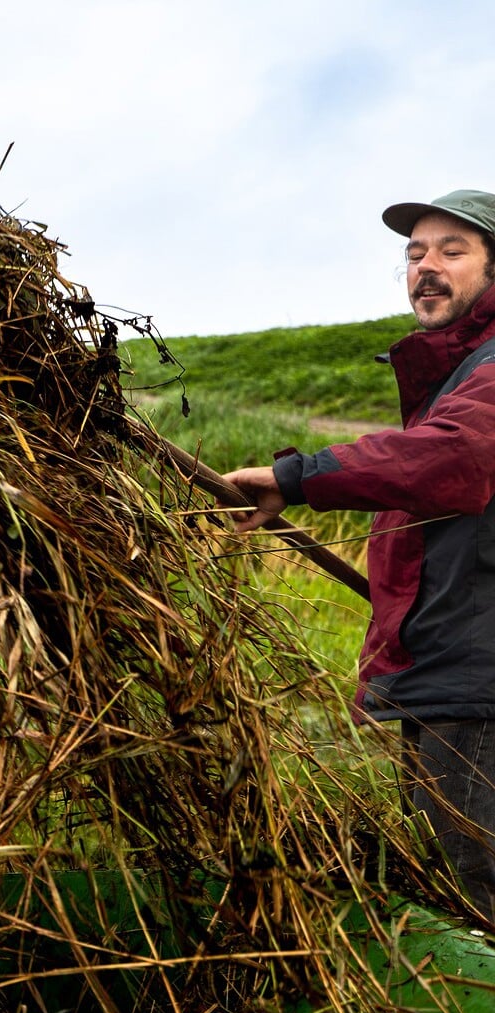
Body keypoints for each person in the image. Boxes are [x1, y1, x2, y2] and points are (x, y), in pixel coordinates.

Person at [224, 188, 495, 914]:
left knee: (476, 900)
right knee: (449, 890)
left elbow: (454, 459)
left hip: (480, 689)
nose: (425, 268)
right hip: (451, 683)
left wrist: (298, 477)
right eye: (414, 254)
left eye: (452, 250)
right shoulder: (453, 381)